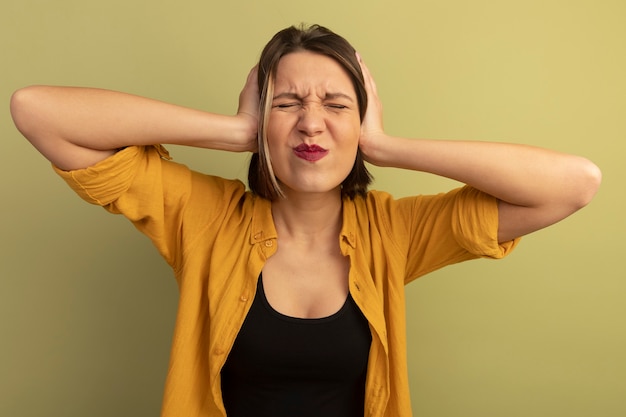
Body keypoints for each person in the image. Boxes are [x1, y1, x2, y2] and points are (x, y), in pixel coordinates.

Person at [10, 24, 601, 417]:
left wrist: (388, 146)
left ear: (360, 125)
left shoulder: (393, 233)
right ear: (262, 118)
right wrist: (234, 131)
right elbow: (37, 111)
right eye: (287, 104)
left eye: (336, 105)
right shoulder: (205, 217)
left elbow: (574, 184)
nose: (311, 124)